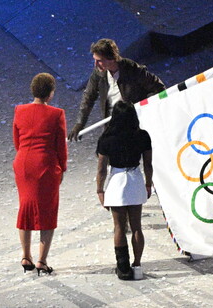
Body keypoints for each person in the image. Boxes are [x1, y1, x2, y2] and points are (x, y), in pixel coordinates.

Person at [12, 73, 67, 275]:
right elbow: (60, 146)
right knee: (48, 211)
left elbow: (16, 140)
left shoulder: (19, 110)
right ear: (50, 93)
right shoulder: (57, 114)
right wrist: (62, 168)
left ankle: (26, 256)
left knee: (25, 207)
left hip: (24, 164)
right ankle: (42, 261)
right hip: (46, 165)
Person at [96, 101, 153, 280]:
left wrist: (100, 189)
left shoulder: (106, 138)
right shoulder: (142, 136)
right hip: (135, 179)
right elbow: (148, 164)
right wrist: (148, 184)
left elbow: (101, 169)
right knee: (137, 227)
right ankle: (137, 265)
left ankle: (123, 267)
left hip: (117, 181)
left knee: (119, 226)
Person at [68, 38, 165, 141]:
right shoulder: (98, 73)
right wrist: (80, 123)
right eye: (94, 60)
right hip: (112, 124)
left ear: (112, 58)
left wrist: (152, 109)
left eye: (99, 61)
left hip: (133, 124)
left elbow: (159, 88)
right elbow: (88, 97)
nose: (95, 64)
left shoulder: (133, 70)